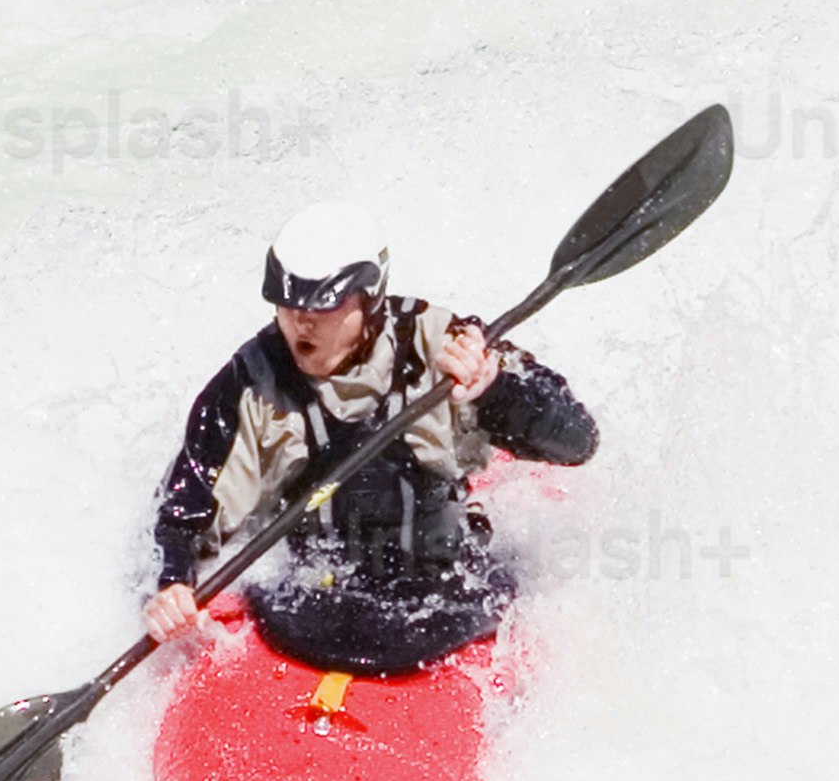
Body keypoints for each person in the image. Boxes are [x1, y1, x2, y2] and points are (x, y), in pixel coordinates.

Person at [144, 215, 598, 678]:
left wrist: (495, 387)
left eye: (324, 307)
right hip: (311, 606)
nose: (301, 322)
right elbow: (183, 514)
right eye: (287, 304)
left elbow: (578, 440)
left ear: (371, 298)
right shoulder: (250, 387)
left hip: (448, 594)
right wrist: (172, 584)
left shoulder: (443, 344)